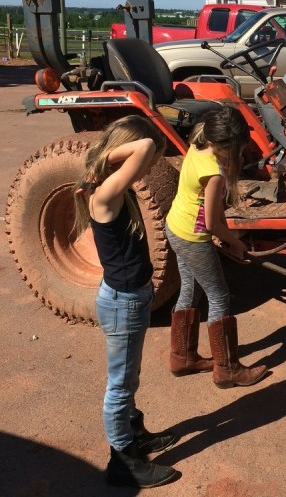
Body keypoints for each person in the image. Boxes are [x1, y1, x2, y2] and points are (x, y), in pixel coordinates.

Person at [74, 115, 179, 488]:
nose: (147, 166)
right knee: (119, 384)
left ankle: (135, 436)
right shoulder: (104, 193)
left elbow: (145, 150)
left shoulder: (114, 188)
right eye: (144, 164)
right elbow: (147, 145)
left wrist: (107, 157)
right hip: (122, 303)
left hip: (129, 298)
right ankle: (121, 459)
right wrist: (107, 157)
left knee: (128, 378)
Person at [165, 106, 268, 387]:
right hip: (193, 237)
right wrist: (236, 243)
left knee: (191, 288)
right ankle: (227, 369)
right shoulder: (215, 173)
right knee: (219, 295)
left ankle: (182, 357)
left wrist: (227, 237)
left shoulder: (198, 146)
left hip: (177, 226)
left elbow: (210, 210)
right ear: (229, 146)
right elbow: (211, 222)